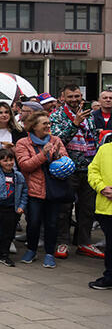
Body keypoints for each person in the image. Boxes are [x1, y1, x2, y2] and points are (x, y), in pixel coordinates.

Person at [50, 84, 101, 259]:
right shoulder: (56, 116)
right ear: (63, 98)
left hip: (89, 167)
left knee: (87, 209)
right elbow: (57, 140)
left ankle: (84, 242)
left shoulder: (89, 115)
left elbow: (93, 138)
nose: (74, 100)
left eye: (77, 96)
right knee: (64, 208)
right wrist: (75, 124)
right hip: (67, 168)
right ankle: (62, 242)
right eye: (70, 96)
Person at [15, 111, 69, 268]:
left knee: (52, 223)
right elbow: (25, 165)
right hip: (34, 190)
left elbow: (65, 161)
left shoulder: (56, 140)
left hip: (53, 189)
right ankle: (31, 250)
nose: (48, 126)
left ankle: (49, 253)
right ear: (34, 126)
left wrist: (58, 157)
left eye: (49, 123)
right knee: (33, 223)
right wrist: (44, 154)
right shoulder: (23, 143)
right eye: (44, 123)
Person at [87, 132, 112, 289]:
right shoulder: (104, 149)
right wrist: (101, 187)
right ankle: (109, 277)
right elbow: (93, 171)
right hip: (106, 208)